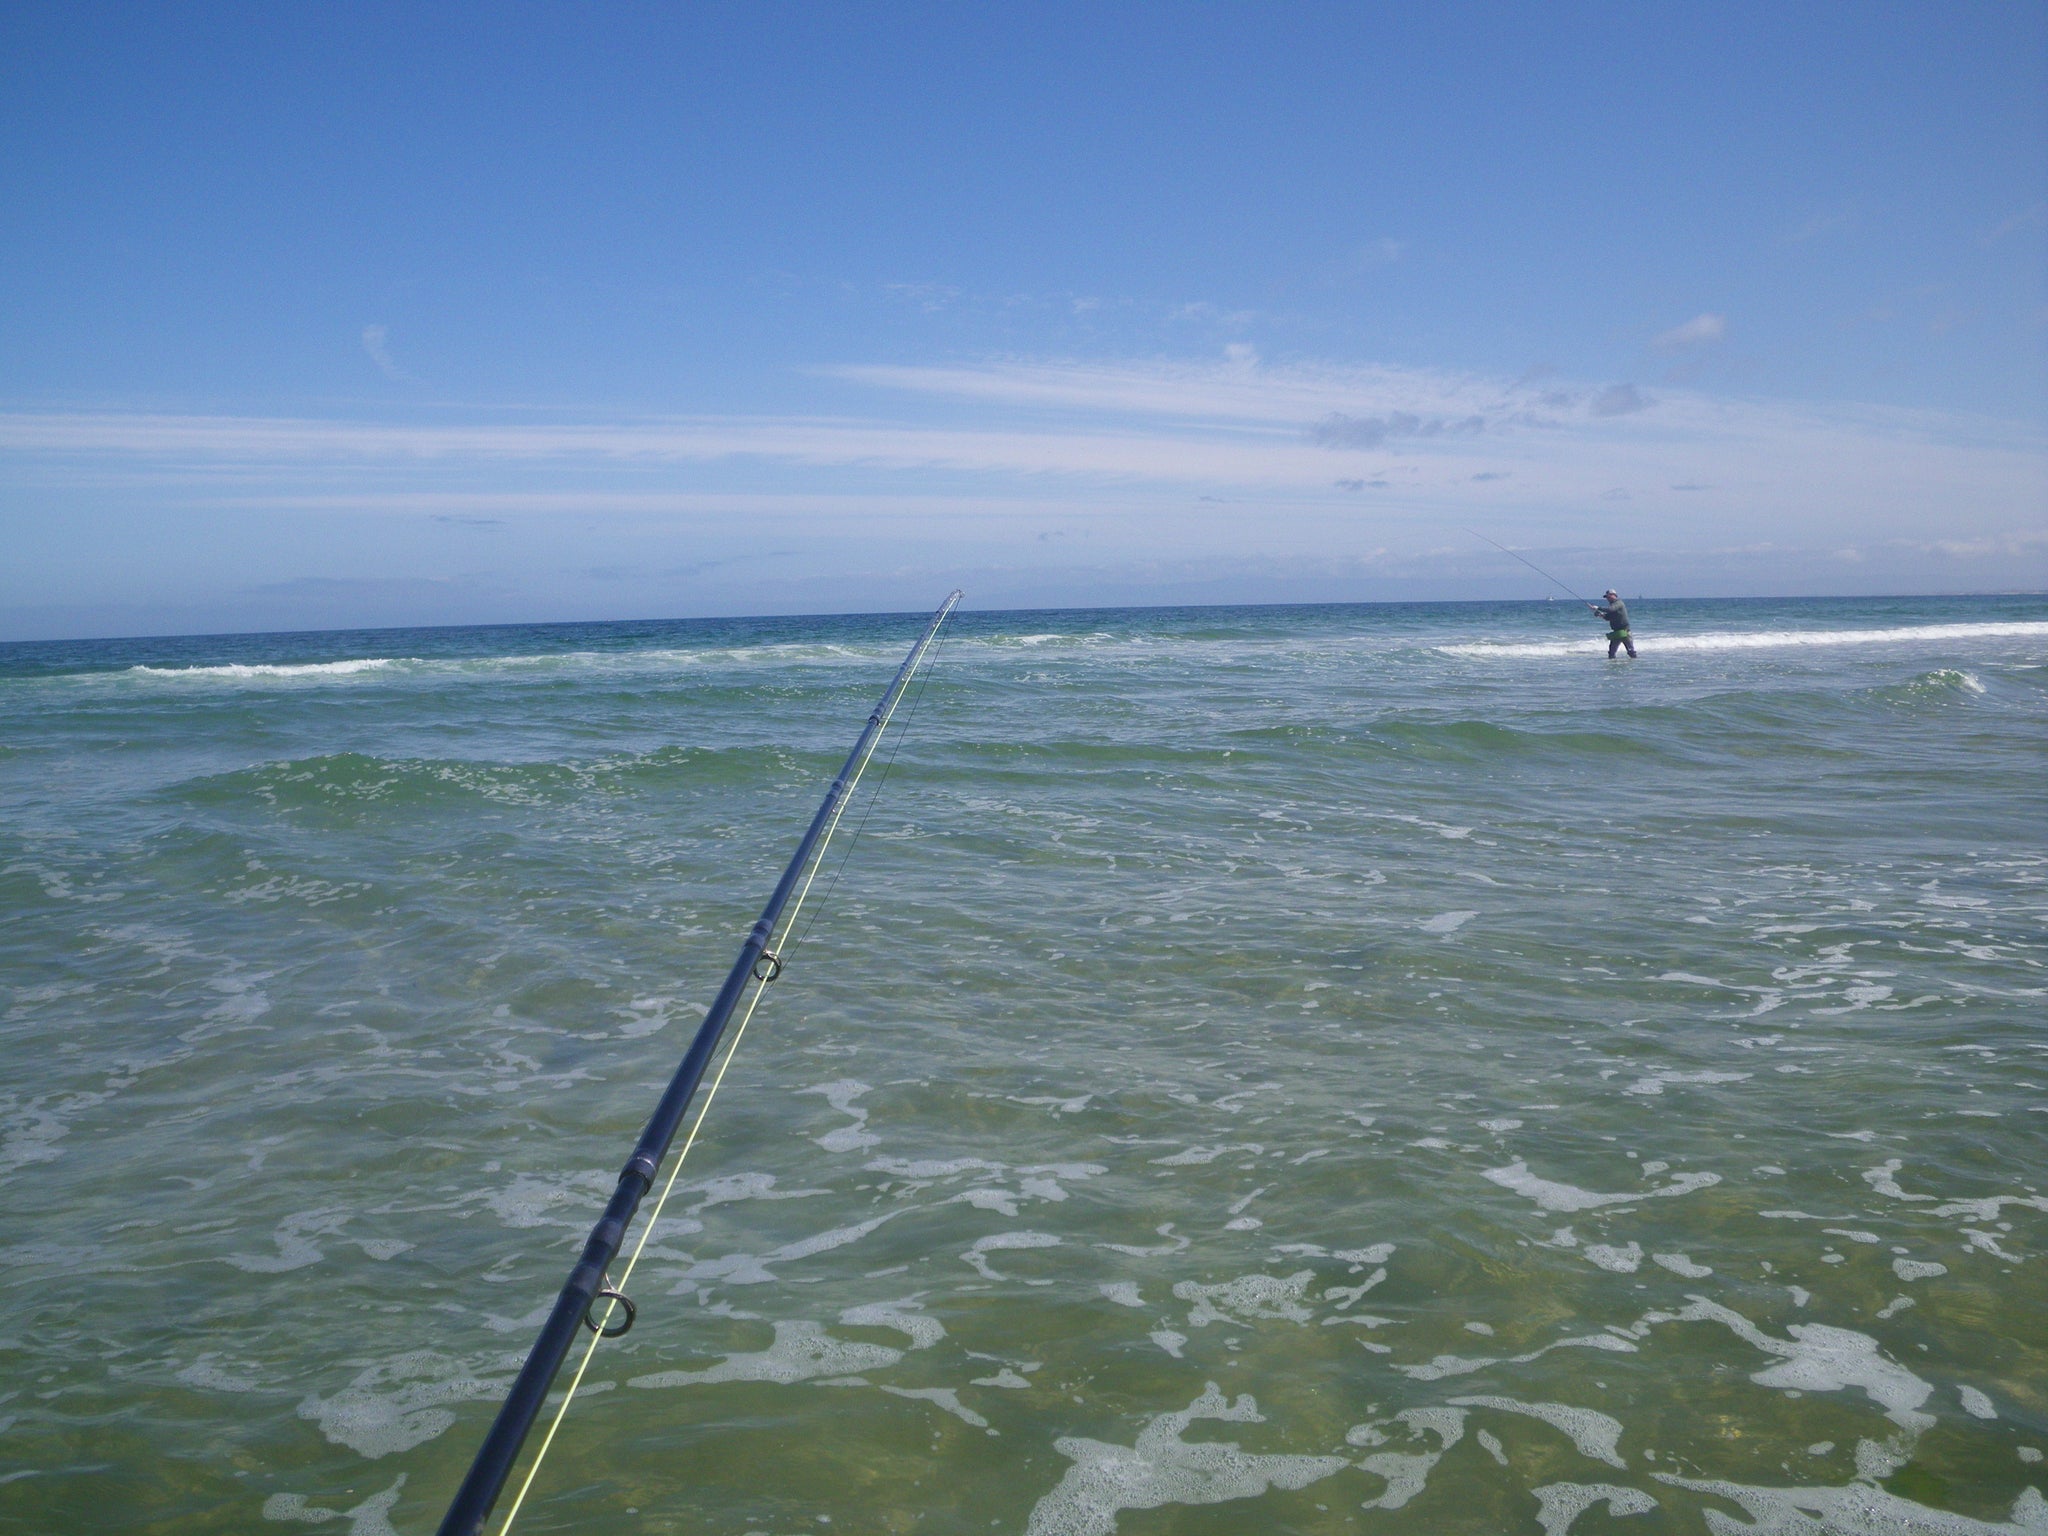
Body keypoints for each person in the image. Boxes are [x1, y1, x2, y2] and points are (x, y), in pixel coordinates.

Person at [1589, 589, 1637, 658]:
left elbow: (1610, 609)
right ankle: (1613, 667)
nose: (1607, 599)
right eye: (1607, 597)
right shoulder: (1613, 605)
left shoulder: (1619, 603)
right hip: (1616, 632)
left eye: (1609, 596)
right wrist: (1601, 615)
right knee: (1611, 653)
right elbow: (1608, 617)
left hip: (1625, 631)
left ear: (1614, 595)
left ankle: (1635, 665)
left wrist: (1598, 608)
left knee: (1631, 652)